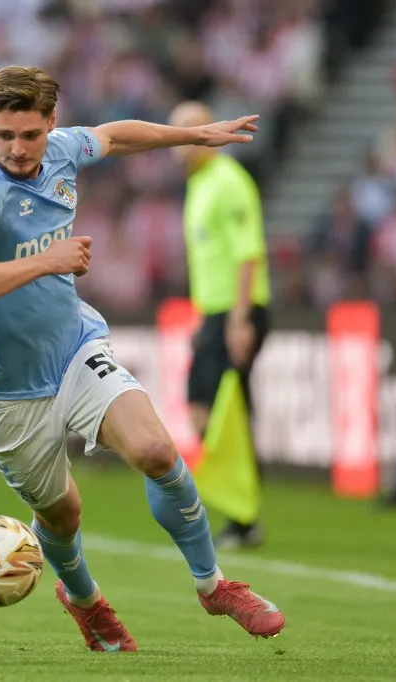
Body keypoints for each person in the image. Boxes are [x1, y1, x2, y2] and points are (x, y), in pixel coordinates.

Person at [0, 66, 285, 653]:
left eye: (31, 135)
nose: (19, 150)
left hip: (74, 349)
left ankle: (213, 584)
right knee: (64, 517)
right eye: (5, 137)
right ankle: (85, 601)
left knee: (155, 449)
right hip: (7, 391)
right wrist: (47, 260)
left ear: (52, 122)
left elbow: (116, 136)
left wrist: (192, 137)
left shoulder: (62, 150)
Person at [168, 101, 272, 549]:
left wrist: (238, 320)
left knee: (213, 411)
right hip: (215, 312)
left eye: (189, 133)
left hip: (235, 311)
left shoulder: (228, 182)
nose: (180, 145)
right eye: (176, 134)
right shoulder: (200, 184)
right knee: (227, 413)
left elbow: (248, 253)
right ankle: (241, 510)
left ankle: (241, 513)